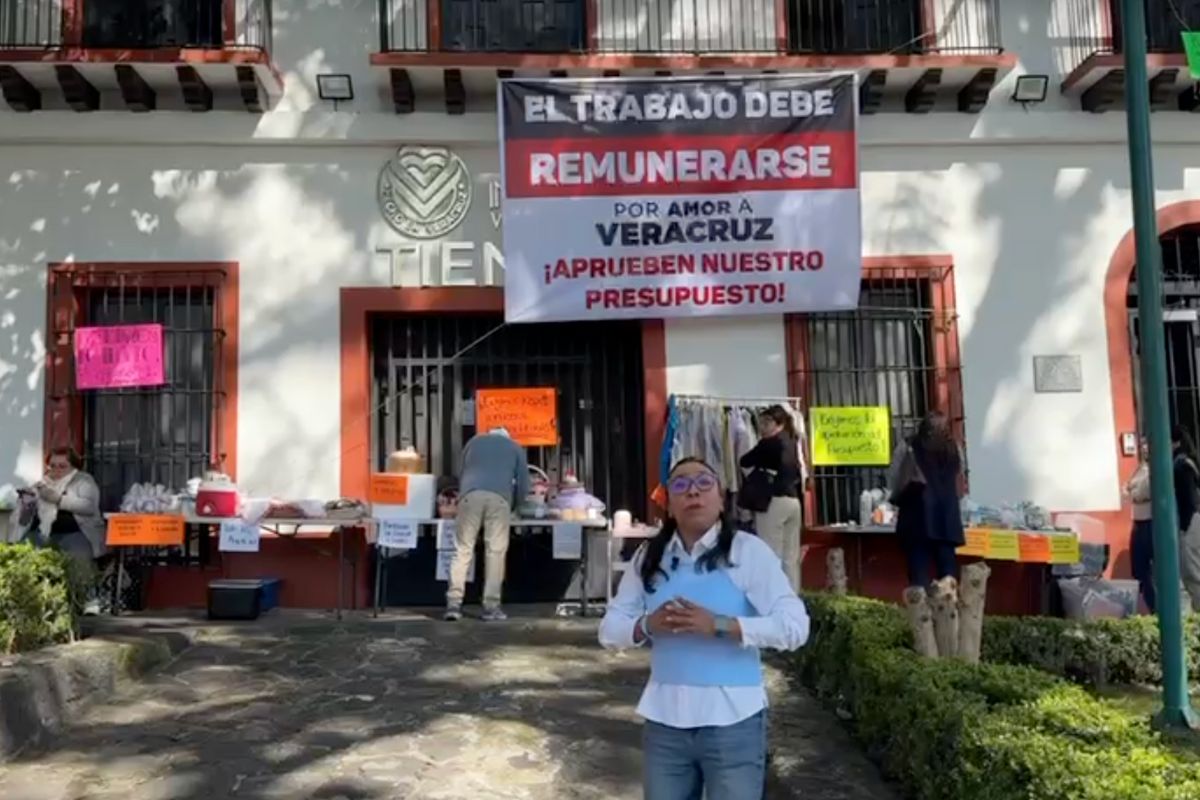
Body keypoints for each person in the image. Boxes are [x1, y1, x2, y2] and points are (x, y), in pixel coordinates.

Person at [599, 457, 809, 800]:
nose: (693, 492)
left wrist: (722, 626)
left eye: (703, 483)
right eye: (680, 485)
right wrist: (646, 626)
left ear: (721, 497)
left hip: (734, 721)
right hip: (665, 722)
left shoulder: (748, 553)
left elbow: (795, 627)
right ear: (668, 502)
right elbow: (610, 630)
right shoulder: (650, 557)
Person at [445, 426, 530, 622]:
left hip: (469, 497)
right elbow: (524, 483)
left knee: (462, 550)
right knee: (495, 552)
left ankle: (453, 604)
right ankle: (491, 607)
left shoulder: (473, 442)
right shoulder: (514, 447)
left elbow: (461, 471)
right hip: (499, 499)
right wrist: (515, 506)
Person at [16, 448, 104, 606]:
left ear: (73, 466)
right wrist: (26, 504)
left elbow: (88, 506)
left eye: (62, 466)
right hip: (43, 532)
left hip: (76, 531)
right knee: (23, 551)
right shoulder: (42, 483)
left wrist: (58, 499)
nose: (56, 470)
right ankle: (27, 596)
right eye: (53, 465)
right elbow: (23, 520)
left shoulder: (83, 481)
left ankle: (87, 599)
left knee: (78, 555)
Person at [888, 412, 964, 589]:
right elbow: (960, 478)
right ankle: (948, 612)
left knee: (918, 576)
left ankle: (920, 613)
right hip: (947, 518)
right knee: (948, 577)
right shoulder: (954, 447)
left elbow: (894, 476)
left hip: (916, 518)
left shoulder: (908, 446)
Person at [738, 405, 803, 590]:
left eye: (767, 422)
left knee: (770, 552)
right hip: (793, 501)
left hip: (774, 502)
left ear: (779, 424)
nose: (762, 427)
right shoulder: (792, 441)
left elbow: (744, 460)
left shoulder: (769, 443)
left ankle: (773, 597)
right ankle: (792, 597)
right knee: (790, 556)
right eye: (761, 422)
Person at [1171, 427, 1200, 610]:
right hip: (1193, 520)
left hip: (1190, 522)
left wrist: (1184, 526)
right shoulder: (1188, 462)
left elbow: (1189, 498)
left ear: (1176, 442)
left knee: (1192, 572)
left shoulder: (1181, 465)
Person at [1124, 438, 1155, 613]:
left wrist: (1132, 491)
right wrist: (1132, 492)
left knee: (1149, 571)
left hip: (1149, 522)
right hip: (1138, 520)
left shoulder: (1154, 468)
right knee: (1138, 570)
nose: (1143, 448)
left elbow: (1143, 493)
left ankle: (1157, 608)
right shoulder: (1140, 468)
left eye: (1147, 444)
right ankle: (1151, 607)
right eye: (1142, 444)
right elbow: (1127, 492)